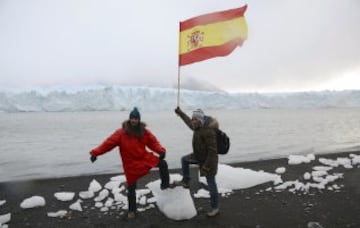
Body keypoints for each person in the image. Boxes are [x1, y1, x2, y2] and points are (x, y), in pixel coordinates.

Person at [89, 107, 170, 219]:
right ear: (129, 119)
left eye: (136, 118)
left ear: (139, 120)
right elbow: (108, 144)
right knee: (131, 187)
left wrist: (161, 150)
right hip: (130, 163)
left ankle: (165, 185)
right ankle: (132, 211)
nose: (133, 120)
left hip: (143, 158)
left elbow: (153, 142)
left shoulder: (144, 131)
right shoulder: (121, 133)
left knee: (163, 163)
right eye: (132, 118)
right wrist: (95, 153)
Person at [174, 106, 220, 217]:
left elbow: (213, 152)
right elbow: (187, 121)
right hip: (199, 156)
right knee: (184, 160)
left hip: (210, 161)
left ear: (200, 120)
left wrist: (206, 166)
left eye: (195, 119)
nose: (193, 121)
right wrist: (180, 113)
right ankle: (186, 180)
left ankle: (215, 208)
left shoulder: (208, 131)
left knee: (211, 183)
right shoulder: (196, 126)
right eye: (193, 119)